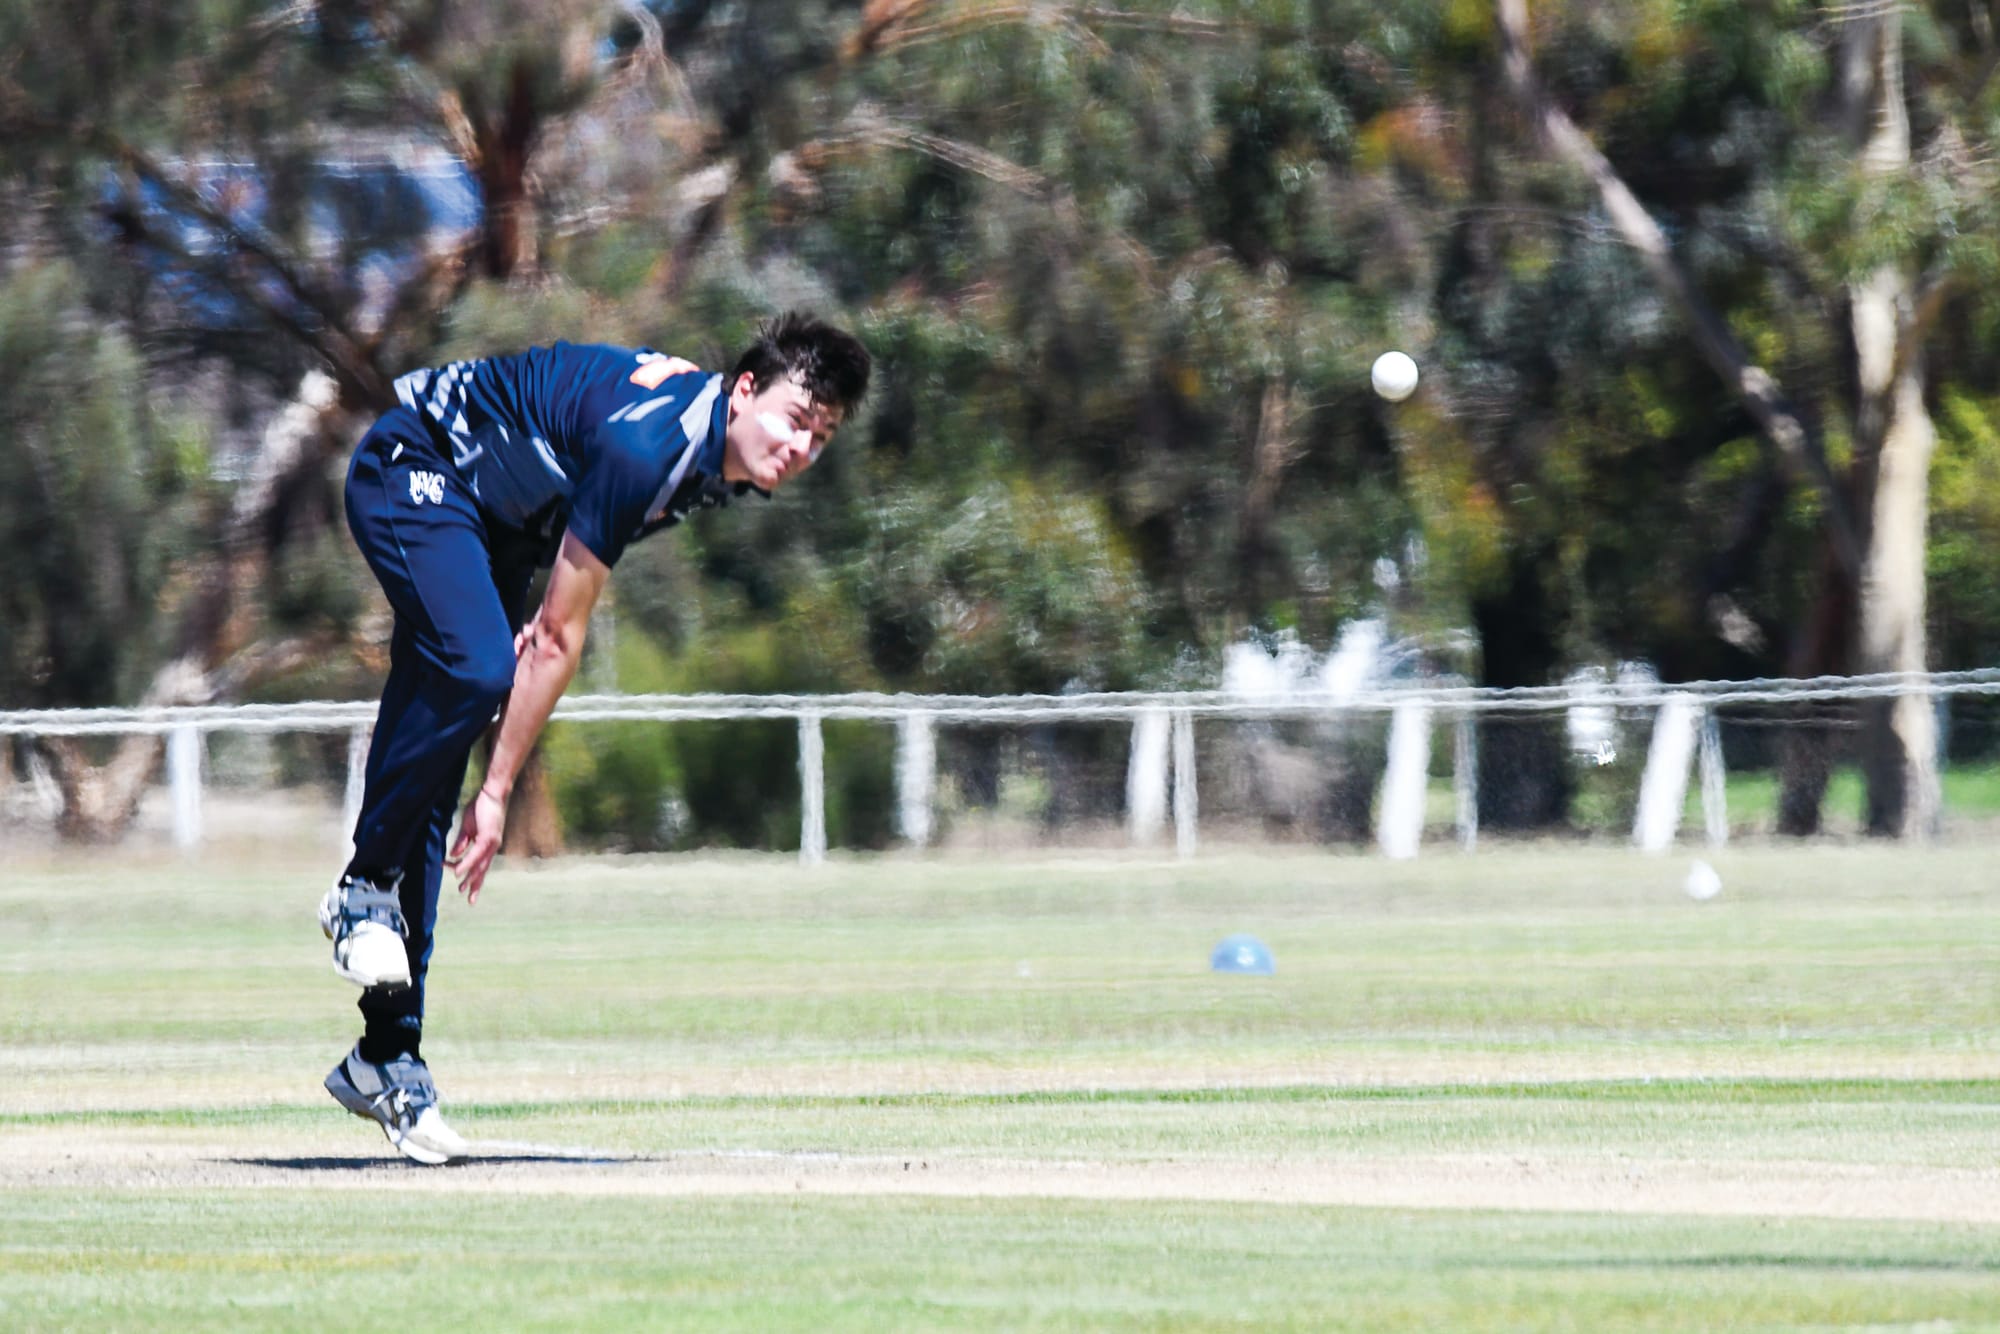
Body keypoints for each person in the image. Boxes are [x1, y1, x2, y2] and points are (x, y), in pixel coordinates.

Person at [317, 312, 870, 1163]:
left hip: (490, 526)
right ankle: (363, 887)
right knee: (474, 672)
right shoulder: (649, 447)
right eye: (799, 419)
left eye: (822, 436)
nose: (803, 447)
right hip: (417, 465)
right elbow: (553, 637)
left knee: (431, 777)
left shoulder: (706, 454)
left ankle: (386, 1057)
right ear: (745, 389)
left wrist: (484, 784)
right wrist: (497, 792)